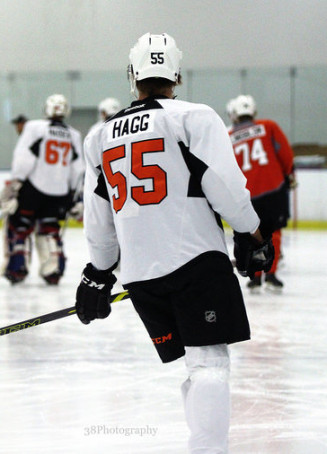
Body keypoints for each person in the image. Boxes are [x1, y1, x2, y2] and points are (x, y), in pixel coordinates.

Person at [75, 33, 273, 454]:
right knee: (210, 365)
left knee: (195, 366)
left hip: (141, 276)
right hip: (195, 262)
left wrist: (97, 273)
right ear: (177, 74)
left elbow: (98, 215)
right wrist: (253, 234)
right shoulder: (193, 117)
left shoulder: (98, 137)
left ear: (132, 75)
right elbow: (225, 187)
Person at [0, 94, 84, 285]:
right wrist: (75, 196)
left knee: (19, 226)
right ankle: (53, 270)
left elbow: (24, 158)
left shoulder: (34, 127)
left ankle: (17, 268)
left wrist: (14, 185)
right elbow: (78, 168)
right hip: (60, 192)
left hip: (33, 190)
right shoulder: (74, 135)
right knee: (51, 230)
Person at [228, 94, 296, 292]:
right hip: (273, 189)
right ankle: (271, 275)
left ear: (234, 115)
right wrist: (288, 174)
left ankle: (255, 277)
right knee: (273, 232)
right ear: (254, 111)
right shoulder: (268, 126)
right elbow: (285, 154)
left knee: (251, 234)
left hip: (246, 194)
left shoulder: (229, 135)